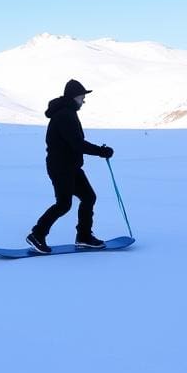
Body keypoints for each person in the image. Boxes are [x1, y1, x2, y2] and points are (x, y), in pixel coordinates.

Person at [26, 79, 114, 254]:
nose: (83, 101)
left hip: (71, 166)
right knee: (64, 204)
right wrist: (101, 151)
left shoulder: (68, 112)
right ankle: (37, 234)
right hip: (61, 167)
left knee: (88, 197)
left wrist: (99, 151)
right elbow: (77, 143)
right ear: (74, 97)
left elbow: (75, 144)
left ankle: (84, 237)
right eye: (82, 97)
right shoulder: (65, 115)